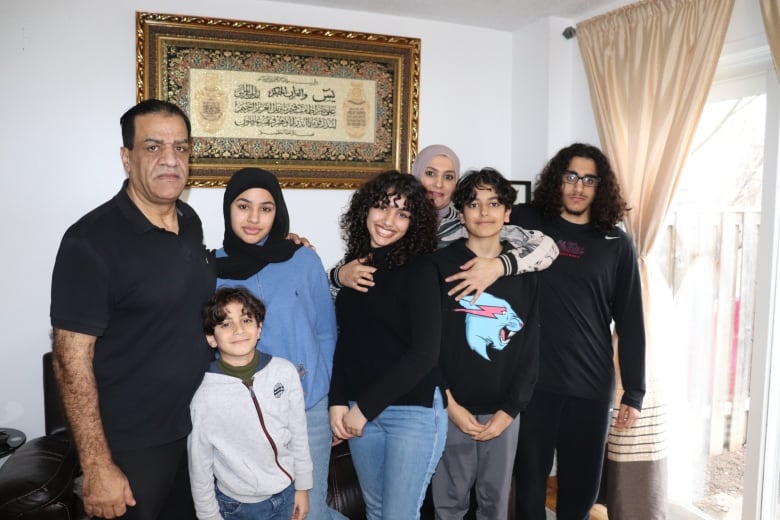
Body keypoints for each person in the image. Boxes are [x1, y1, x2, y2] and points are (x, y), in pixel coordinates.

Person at [50, 99, 215, 519]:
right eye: (153, 147)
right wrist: (98, 466)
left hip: (195, 429)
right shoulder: (89, 242)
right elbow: (70, 361)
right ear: (127, 157)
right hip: (130, 445)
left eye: (181, 147)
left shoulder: (190, 221)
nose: (170, 160)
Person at [511, 143, 646, 520]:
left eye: (589, 179)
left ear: (599, 187)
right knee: (529, 495)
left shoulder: (616, 243)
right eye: (571, 176)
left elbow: (631, 323)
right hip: (533, 384)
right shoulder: (528, 223)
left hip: (590, 387)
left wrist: (634, 392)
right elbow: (478, 217)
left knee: (580, 498)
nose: (578, 187)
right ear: (558, 179)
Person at [214, 167, 344, 520]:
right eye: (243, 206)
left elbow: (326, 333)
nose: (254, 218)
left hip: (309, 407)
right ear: (228, 209)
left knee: (309, 512)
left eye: (266, 208)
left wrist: (333, 401)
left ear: (278, 212)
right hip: (248, 415)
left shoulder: (302, 259)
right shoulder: (212, 269)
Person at [328, 171, 447, 520]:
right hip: (359, 408)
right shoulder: (355, 265)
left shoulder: (422, 270)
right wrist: (337, 401)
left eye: (403, 213)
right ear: (365, 209)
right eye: (382, 207)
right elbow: (344, 339)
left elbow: (425, 354)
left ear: (415, 223)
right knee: (377, 511)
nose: (389, 221)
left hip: (412, 412)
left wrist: (362, 409)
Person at [431, 168, 541, 519]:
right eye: (474, 204)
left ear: (508, 213)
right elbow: (427, 343)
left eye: (494, 203)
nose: (484, 212)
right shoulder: (438, 265)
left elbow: (532, 346)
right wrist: (449, 403)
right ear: (461, 213)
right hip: (450, 407)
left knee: (495, 505)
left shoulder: (523, 270)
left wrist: (511, 410)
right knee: (449, 504)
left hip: (503, 412)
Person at [331, 144, 558, 302]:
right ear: (416, 174)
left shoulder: (469, 224)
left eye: (448, 177)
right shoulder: (392, 225)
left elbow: (547, 247)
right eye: (430, 173)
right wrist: (339, 276)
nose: (438, 184)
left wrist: (499, 266)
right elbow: (336, 279)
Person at [189, 287, 312, 520]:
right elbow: (199, 465)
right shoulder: (205, 396)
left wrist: (303, 487)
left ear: (259, 328)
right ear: (211, 338)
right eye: (225, 324)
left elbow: (298, 434)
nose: (238, 330)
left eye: (246, 320)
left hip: (286, 492)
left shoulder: (284, 372)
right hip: (238, 506)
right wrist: (209, 516)